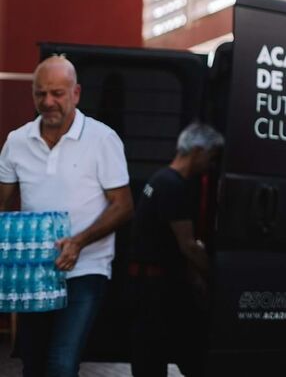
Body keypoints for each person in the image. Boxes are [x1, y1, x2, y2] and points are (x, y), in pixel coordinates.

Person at [0, 55, 133, 377]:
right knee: (32, 363)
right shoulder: (17, 142)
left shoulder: (102, 139)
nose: (48, 102)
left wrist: (78, 242)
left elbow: (123, 205)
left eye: (57, 93)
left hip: (86, 268)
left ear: (76, 93)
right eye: (40, 93)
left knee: (61, 363)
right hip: (33, 271)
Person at [128, 122, 223, 377]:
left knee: (150, 353)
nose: (211, 165)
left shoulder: (158, 179)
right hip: (157, 288)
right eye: (211, 157)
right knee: (170, 354)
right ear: (198, 151)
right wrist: (216, 278)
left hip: (146, 283)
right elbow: (188, 246)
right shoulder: (173, 186)